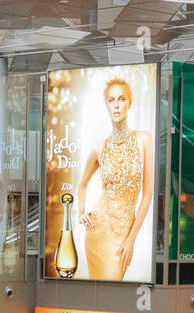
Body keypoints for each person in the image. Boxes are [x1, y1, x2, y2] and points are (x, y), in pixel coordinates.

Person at [74, 77, 155, 280]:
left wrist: (131, 239)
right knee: (98, 296)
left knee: (113, 289)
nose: (116, 105)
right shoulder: (99, 146)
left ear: (130, 102)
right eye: (111, 100)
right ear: (106, 104)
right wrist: (81, 212)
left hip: (123, 234)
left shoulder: (143, 139)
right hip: (97, 231)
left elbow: (148, 194)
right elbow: (82, 185)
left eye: (121, 99)